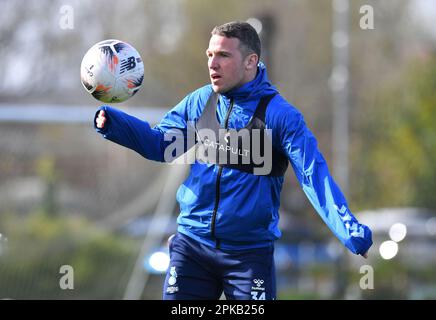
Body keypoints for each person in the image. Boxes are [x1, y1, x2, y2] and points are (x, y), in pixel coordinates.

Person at [94, 21, 372, 300]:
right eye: (210, 55)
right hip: (192, 247)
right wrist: (114, 123)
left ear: (251, 61)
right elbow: (161, 146)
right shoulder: (200, 102)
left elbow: (313, 175)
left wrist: (350, 230)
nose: (213, 64)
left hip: (248, 256)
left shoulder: (280, 116)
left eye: (224, 55)